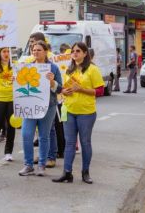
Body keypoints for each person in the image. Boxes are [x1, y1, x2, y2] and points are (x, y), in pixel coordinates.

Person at [53, 42, 104, 184]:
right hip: (69, 110)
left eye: (78, 51)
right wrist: (64, 91)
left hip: (86, 112)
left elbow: (100, 91)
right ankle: (67, 173)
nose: (74, 53)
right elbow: (63, 88)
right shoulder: (69, 70)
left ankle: (85, 172)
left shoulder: (92, 70)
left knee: (85, 142)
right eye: (73, 51)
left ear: (85, 53)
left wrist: (81, 89)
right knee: (69, 143)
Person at [19, 40, 62, 177]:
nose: (35, 52)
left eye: (38, 50)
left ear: (45, 52)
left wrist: (51, 82)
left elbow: (60, 89)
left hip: (48, 106)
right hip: (30, 106)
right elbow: (20, 84)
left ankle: (41, 165)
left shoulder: (53, 68)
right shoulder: (27, 67)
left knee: (44, 136)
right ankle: (28, 165)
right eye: (33, 50)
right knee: (26, 135)